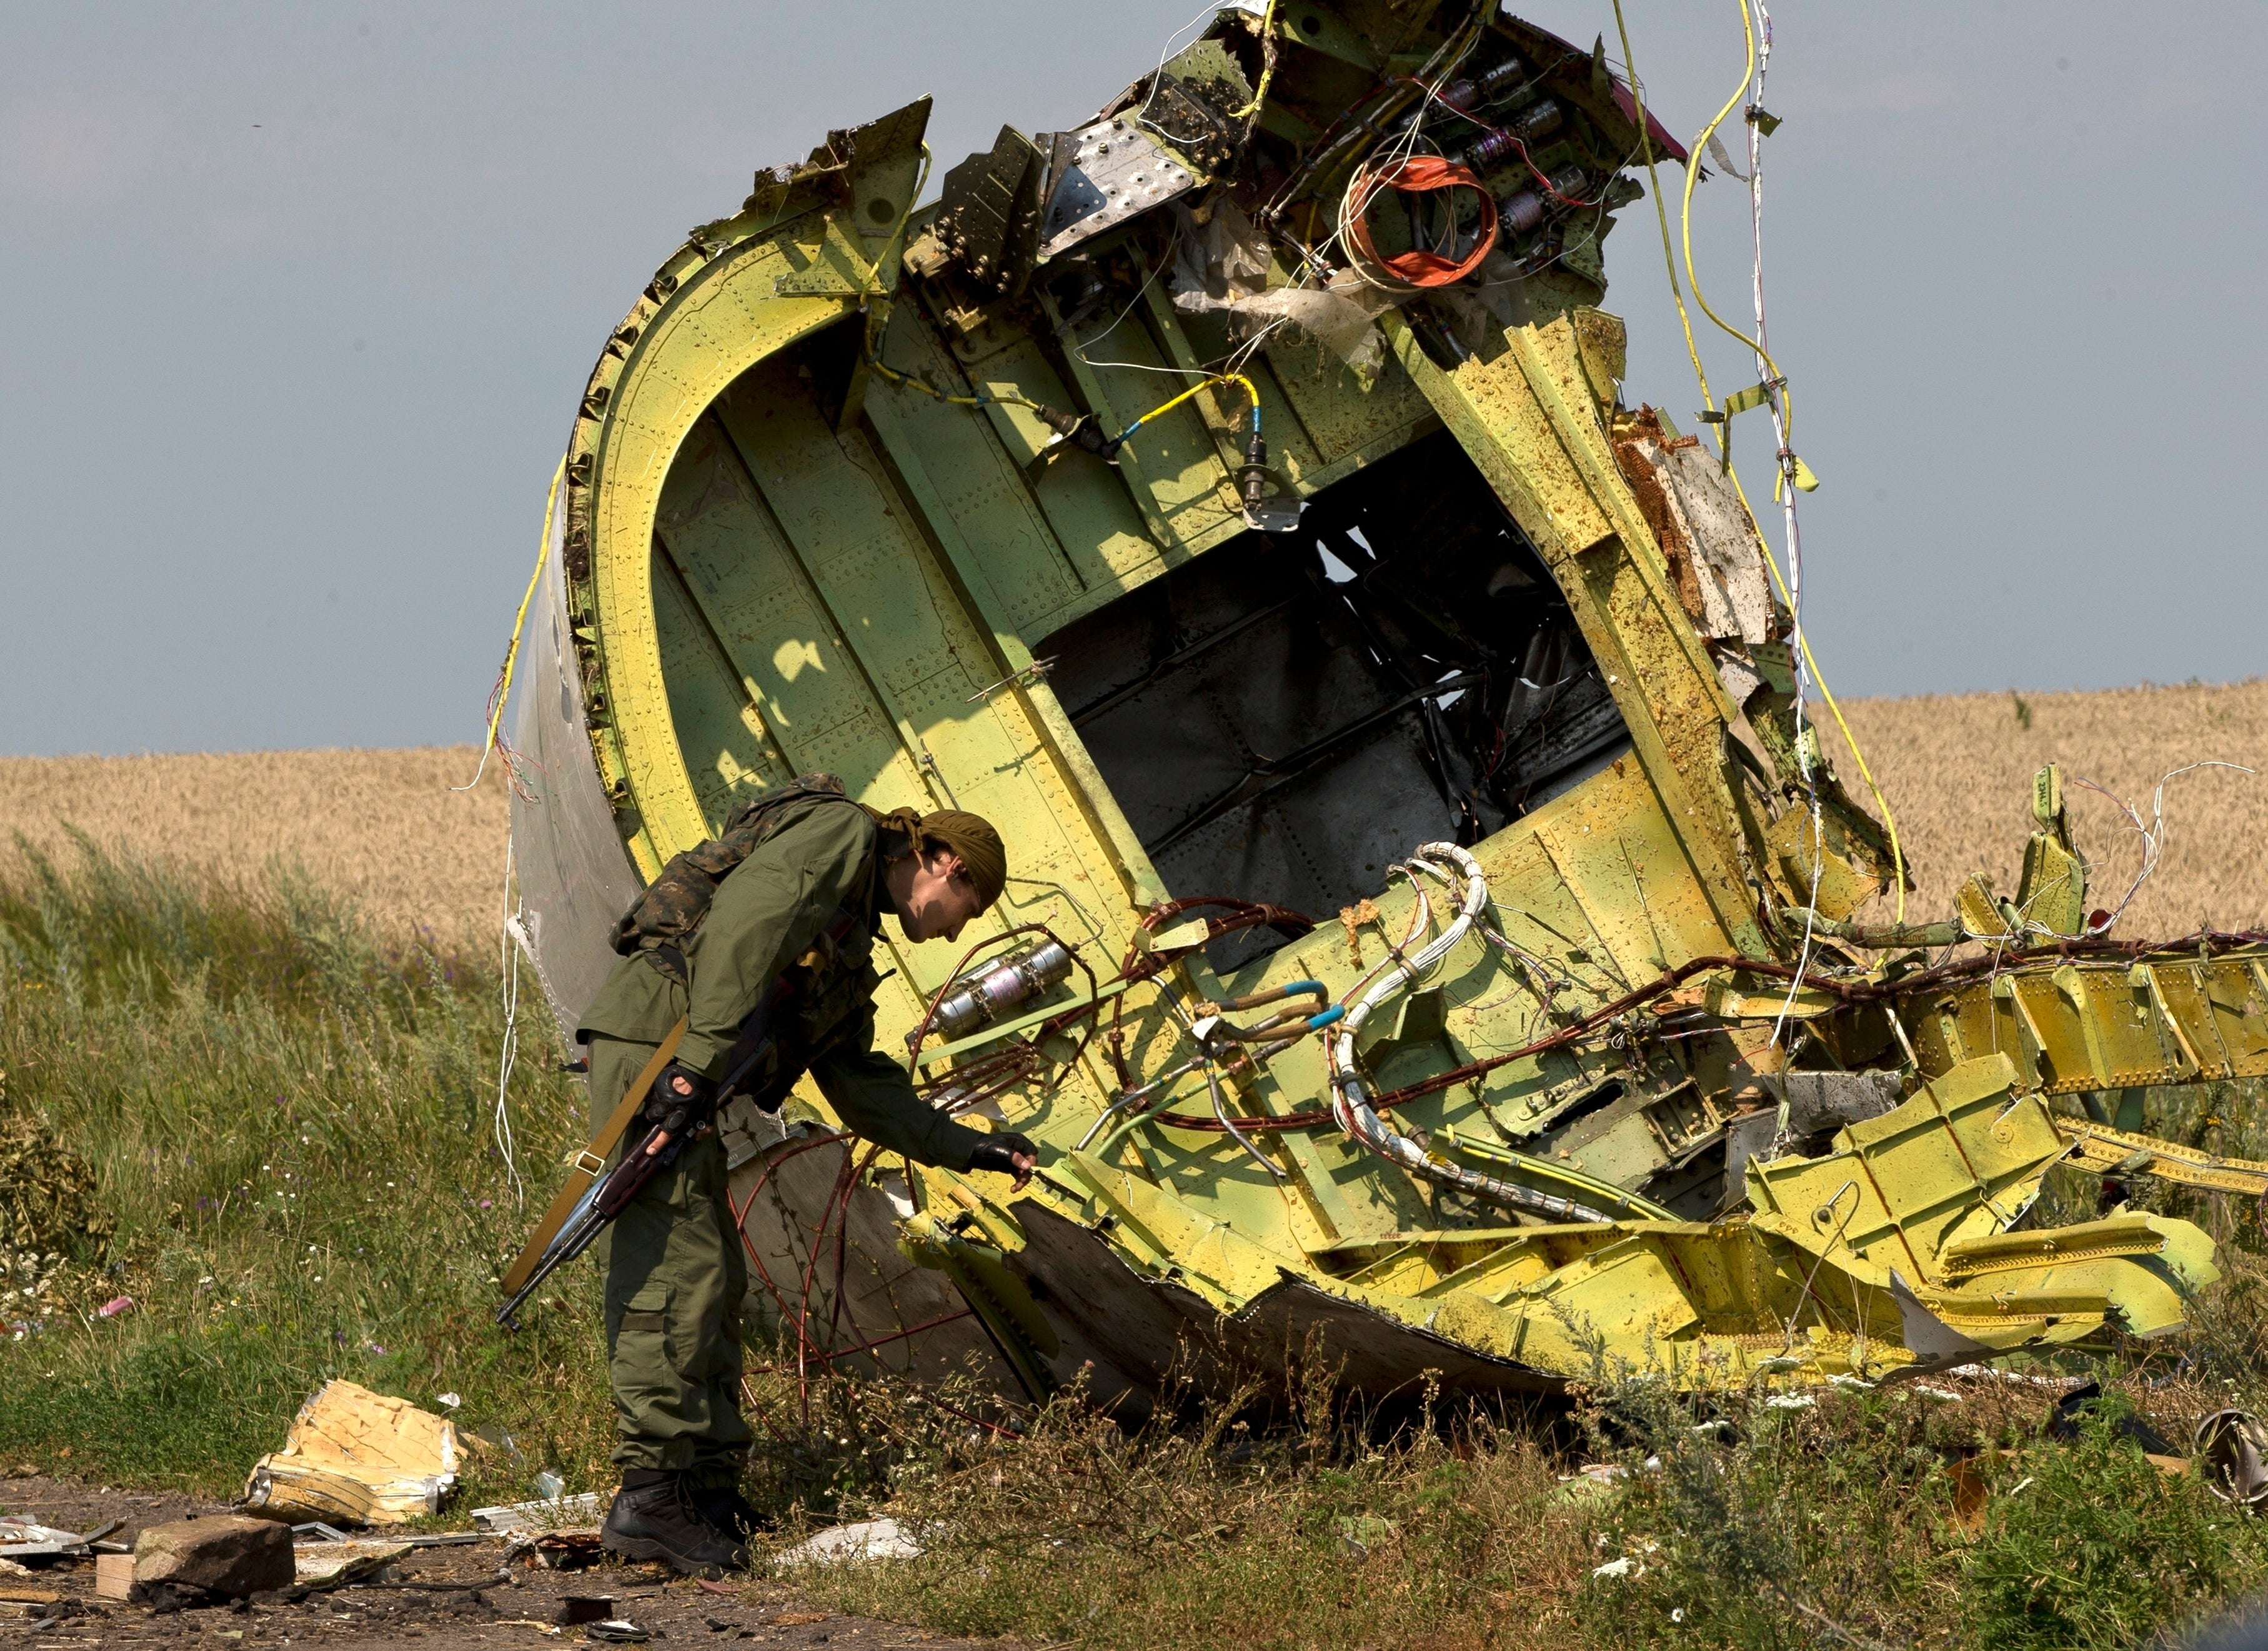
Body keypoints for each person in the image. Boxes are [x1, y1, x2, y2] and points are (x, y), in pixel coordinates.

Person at [574, 782, 1038, 1576]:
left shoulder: (850, 937)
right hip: (662, 1042)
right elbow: (747, 926)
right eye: (972, 903)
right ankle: (650, 1494)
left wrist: (969, 1148)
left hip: (686, 1054)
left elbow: (860, 1083)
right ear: (946, 864)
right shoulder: (842, 835)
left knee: (711, 1268)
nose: (960, 927)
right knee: (676, 1266)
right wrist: (692, 1068)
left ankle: (706, 1488)